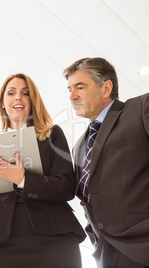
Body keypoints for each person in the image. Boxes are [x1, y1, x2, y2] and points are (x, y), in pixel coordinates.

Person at [0, 73, 86, 267]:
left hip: (52, 237)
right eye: (11, 93)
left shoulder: (52, 135)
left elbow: (67, 186)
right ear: (3, 103)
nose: (18, 98)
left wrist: (23, 179)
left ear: (33, 101)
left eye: (25, 93)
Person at [63, 57, 149, 267]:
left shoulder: (140, 108)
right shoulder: (78, 147)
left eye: (79, 87)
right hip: (106, 253)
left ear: (106, 87)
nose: (72, 96)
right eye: (69, 89)